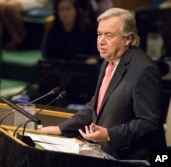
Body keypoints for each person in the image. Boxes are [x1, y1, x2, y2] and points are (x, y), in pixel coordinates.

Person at [40, 8, 166, 161]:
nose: (101, 41)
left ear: (128, 39)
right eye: (99, 34)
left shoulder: (144, 70)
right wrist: (60, 129)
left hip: (133, 158)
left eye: (109, 35)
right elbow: (96, 105)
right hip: (106, 154)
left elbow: (148, 122)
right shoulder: (109, 62)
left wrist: (109, 134)